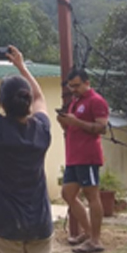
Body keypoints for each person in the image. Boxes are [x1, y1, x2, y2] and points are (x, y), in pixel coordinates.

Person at [0, 45, 53, 253]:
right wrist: (22, 67)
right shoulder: (42, 130)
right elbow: (40, 97)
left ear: (2, 104)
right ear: (27, 101)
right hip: (39, 224)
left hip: (3, 223)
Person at [57, 69, 109, 253]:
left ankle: (96, 240)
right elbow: (72, 127)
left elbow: (101, 128)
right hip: (73, 157)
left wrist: (77, 122)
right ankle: (87, 233)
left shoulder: (96, 101)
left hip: (88, 157)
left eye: (77, 85)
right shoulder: (75, 102)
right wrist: (64, 122)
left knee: (92, 196)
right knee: (67, 194)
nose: (74, 90)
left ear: (87, 82)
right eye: (71, 86)